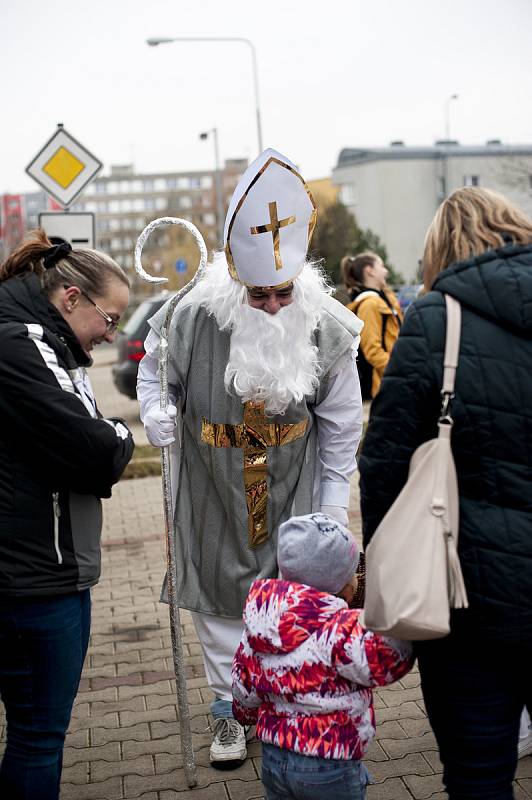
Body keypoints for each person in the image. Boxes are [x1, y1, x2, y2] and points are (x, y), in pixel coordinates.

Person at [137, 149, 364, 766]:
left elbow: (342, 426)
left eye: (281, 294)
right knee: (216, 599)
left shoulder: (328, 327)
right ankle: (226, 712)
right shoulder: (188, 316)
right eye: (258, 295)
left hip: (294, 486)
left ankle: (287, 702)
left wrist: (334, 508)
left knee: (293, 600)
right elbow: (154, 375)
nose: (270, 307)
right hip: (211, 486)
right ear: (236, 278)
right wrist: (156, 413)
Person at [359, 187, 532, 799]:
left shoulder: (437, 319)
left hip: (465, 599)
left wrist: (383, 566)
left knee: (478, 776)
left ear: (441, 249)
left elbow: (383, 463)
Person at [0, 230, 134, 800]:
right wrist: (123, 435)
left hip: (39, 567)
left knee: (34, 735)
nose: (112, 334)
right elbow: (96, 446)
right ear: (72, 298)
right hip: (32, 578)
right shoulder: (21, 342)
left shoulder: (47, 342)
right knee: (37, 737)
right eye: (110, 318)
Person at [231, 512, 414, 799]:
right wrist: (407, 622)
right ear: (342, 584)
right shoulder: (339, 629)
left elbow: (243, 687)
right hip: (330, 762)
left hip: (275, 758)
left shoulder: (260, 624)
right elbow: (387, 659)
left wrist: (244, 714)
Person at [342, 252, 402, 398]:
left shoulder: (382, 299)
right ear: (370, 271)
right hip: (382, 386)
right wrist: (399, 370)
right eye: (382, 266)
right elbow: (372, 351)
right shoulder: (369, 305)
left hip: (389, 381)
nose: (386, 271)